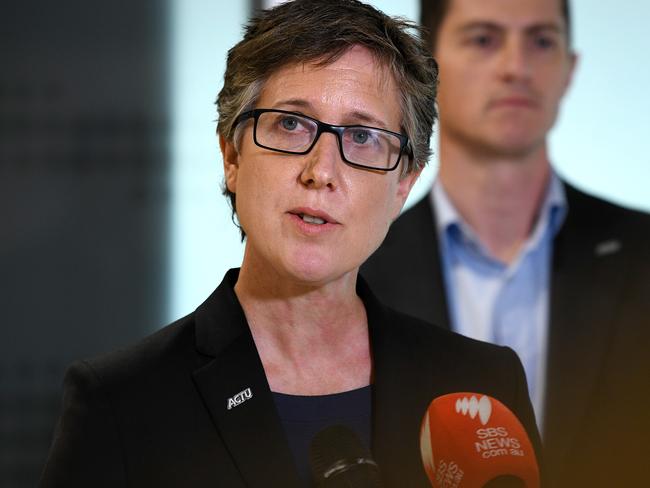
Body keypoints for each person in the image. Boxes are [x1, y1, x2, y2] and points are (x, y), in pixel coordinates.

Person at [38, 1, 541, 487]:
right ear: (232, 154)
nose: (321, 171)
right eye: (291, 124)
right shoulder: (121, 402)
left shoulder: (482, 387)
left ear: (403, 184)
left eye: (362, 137)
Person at [362, 0, 650, 486]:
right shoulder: (357, 270)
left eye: (541, 41)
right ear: (426, 67)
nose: (516, 68)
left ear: (569, 67)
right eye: (483, 39)